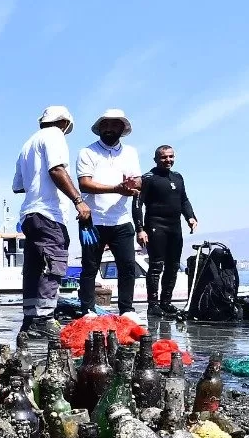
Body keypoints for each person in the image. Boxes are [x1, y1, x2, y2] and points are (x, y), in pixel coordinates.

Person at [12, 105, 91, 337]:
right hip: (49, 213)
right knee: (53, 263)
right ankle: (45, 319)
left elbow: (18, 186)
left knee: (34, 267)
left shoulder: (27, 145)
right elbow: (56, 170)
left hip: (29, 214)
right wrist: (78, 200)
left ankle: (29, 321)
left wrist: (36, 181)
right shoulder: (55, 135)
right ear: (64, 123)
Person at [75, 109, 142, 315]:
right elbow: (84, 184)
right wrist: (116, 188)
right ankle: (87, 310)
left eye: (114, 125)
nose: (109, 129)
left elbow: (137, 180)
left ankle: (127, 309)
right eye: (105, 125)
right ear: (99, 129)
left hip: (121, 220)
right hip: (92, 220)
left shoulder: (130, 152)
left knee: (128, 266)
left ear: (122, 128)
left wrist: (134, 184)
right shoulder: (87, 152)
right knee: (89, 267)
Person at [133, 144, 197, 315]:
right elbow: (137, 204)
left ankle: (166, 302)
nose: (168, 160)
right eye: (164, 157)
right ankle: (153, 305)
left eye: (171, 156)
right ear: (155, 159)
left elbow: (184, 200)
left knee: (173, 265)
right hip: (155, 225)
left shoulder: (178, 177)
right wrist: (140, 229)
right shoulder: (148, 178)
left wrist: (190, 217)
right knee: (156, 266)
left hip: (174, 226)